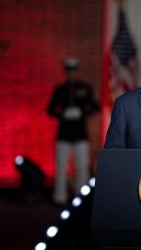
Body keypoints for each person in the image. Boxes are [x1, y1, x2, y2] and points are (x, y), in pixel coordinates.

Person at [47, 58, 99, 204]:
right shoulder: (60, 89)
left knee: (82, 168)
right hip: (63, 133)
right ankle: (59, 197)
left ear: (76, 71)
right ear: (66, 71)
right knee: (61, 168)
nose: (71, 73)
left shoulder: (85, 88)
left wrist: (82, 112)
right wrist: (62, 113)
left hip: (80, 133)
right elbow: (50, 109)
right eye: (68, 70)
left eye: (73, 70)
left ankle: (80, 198)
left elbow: (95, 107)